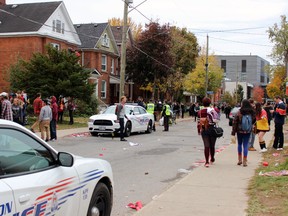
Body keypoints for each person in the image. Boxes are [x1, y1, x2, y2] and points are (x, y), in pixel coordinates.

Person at [231, 99, 255, 167]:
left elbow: (235, 122)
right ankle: (245, 160)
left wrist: (233, 132)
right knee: (246, 145)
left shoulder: (239, 112)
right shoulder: (252, 112)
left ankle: (239, 160)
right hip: (248, 130)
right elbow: (253, 120)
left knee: (239, 144)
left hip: (239, 130)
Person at [197, 97, 219, 168]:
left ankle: (206, 162)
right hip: (212, 128)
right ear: (210, 103)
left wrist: (199, 130)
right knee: (212, 145)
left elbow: (198, 122)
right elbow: (217, 119)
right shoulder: (213, 110)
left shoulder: (200, 112)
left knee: (206, 145)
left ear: (203, 103)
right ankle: (212, 158)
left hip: (204, 129)